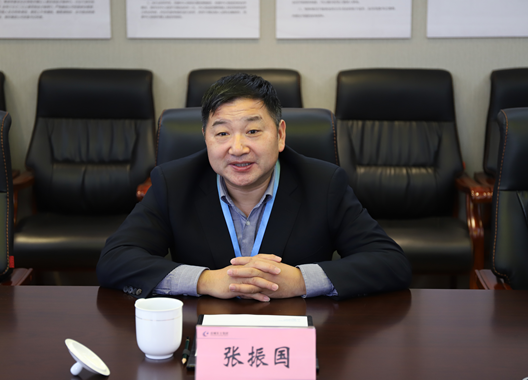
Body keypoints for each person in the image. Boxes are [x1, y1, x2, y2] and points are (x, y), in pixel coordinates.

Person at [97, 73, 411, 301]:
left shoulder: (323, 183)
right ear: (206, 138)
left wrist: (302, 280)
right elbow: (115, 260)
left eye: (253, 131)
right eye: (222, 133)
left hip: (296, 334)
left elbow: (391, 263)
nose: (237, 148)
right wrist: (206, 280)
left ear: (280, 135)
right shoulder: (174, 182)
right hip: (206, 336)